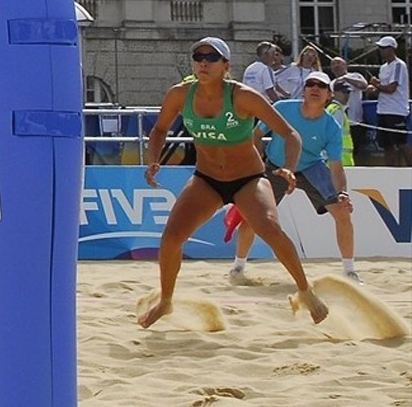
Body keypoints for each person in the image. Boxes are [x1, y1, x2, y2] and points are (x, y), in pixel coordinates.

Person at [139, 37, 327, 328]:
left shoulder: (243, 96)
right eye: (198, 55)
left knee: (269, 228)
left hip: (248, 179)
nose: (203, 61)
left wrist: (289, 168)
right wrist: (153, 160)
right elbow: (160, 129)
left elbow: (290, 134)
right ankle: (166, 301)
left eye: (211, 57)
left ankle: (305, 290)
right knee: (171, 238)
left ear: (226, 66)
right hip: (207, 179)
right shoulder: (180, 94)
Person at [226, 70, 362, 282]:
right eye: (310, 84)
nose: (315, 89)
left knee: (343, 212)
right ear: (304, 90)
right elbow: (257, 135)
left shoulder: (331, 126)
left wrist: (342, 193)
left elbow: (336, 167)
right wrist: (256, 163)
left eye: (321, 85)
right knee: (252, 218)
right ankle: (238, 267)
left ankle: (350, 271)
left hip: (311, 167)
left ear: (329, 94)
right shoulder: (282, 108)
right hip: (276, 166)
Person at [373, 35, 408, 166]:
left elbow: (392, 88)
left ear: (391, 49)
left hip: (396, 110)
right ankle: (390, 171)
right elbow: (382, 88)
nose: (380, 50)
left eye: (383, 48)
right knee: (386, 144)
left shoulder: (399, 65)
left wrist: (377, 85)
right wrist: (375, 88)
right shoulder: (383, 67)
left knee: (401, 143)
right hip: (382, 109)